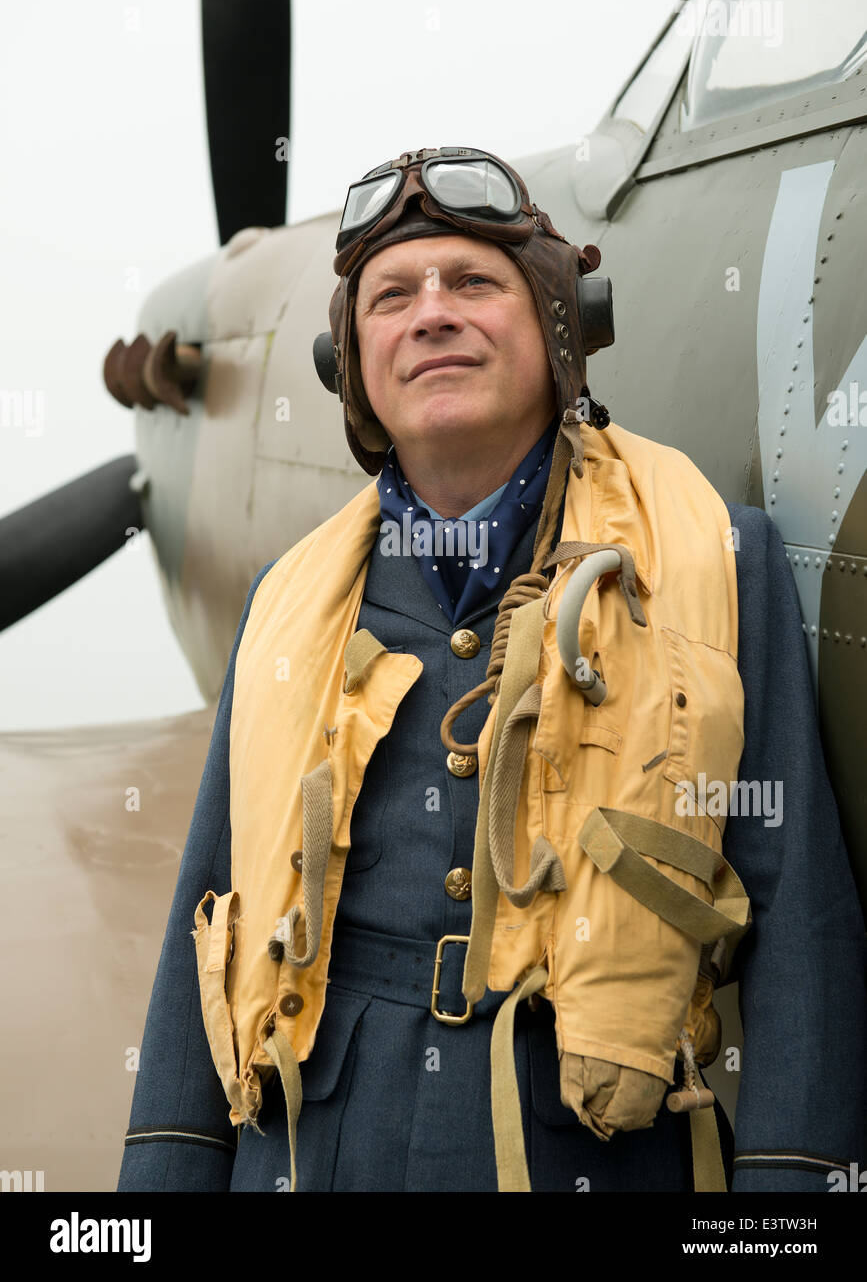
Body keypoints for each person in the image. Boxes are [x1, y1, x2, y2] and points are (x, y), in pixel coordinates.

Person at [118, 146, 865, 1194]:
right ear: (354, 366)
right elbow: (213, 908)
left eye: (473, 282)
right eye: (391, 297)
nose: (431, 314)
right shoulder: (283, 605)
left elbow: (801, 919)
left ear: (559, 328)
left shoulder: (715, 558)